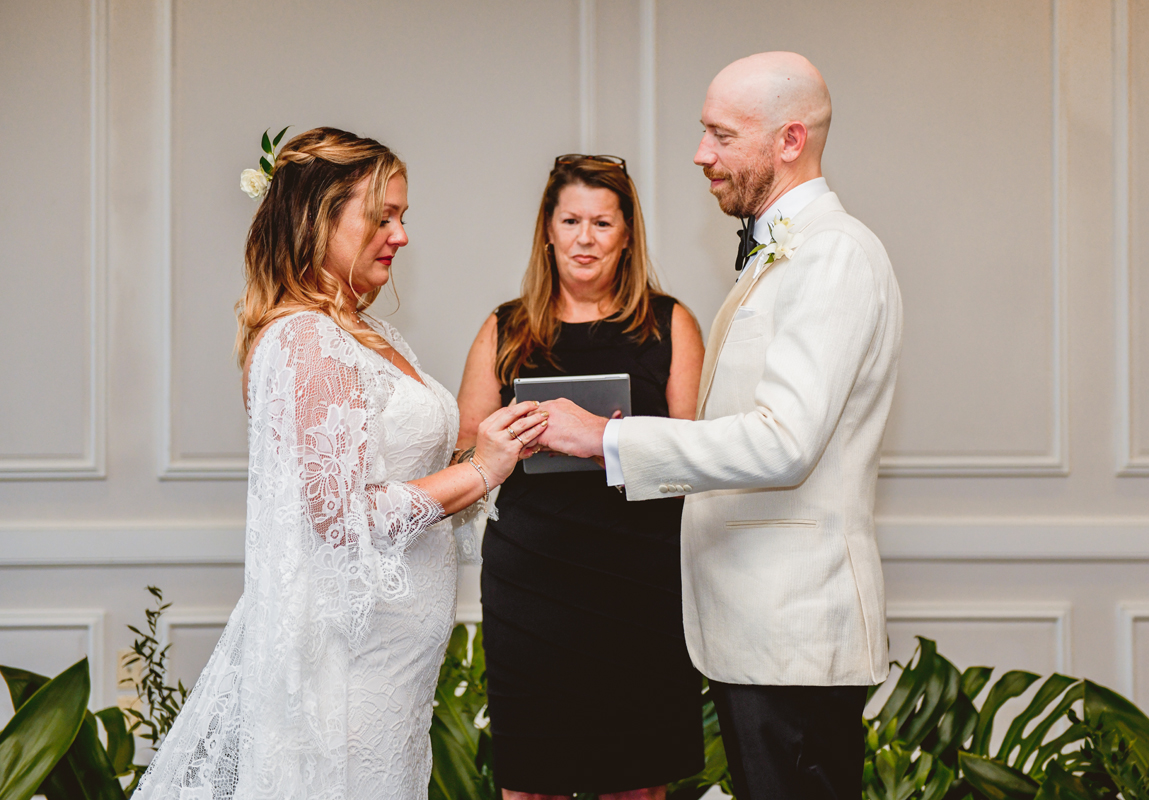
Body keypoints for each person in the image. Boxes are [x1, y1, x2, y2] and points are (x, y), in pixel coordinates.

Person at [131, 127, 547, 800]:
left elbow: (400, 478)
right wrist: (481, 471)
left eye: (402, 217)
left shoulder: (366, 333)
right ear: (315, 219)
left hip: (389, 670)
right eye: (381, 217)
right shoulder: (306, 339)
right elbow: (340, 515)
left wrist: (495, 447)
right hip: (347, 672)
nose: (400, 236)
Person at [537, 53, 903, 800]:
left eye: (722, 136)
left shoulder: (833, 255)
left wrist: (605, 438)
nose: (702, 154)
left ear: (790, 140)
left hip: (793, 635)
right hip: (759, 633)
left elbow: (784, 441)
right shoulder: (782, 251)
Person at [455, 154, 706, 799]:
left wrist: (609, 442)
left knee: (636, 784)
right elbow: (465, 452)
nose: (585, 239)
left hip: (639, 582)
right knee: (531, 780)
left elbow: (697, 456)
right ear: (548, 229)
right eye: (571, 221)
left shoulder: (669, 324)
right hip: (530, 583)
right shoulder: (505, 328)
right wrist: (504, 443)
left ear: (627, 235)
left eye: (602, 222)